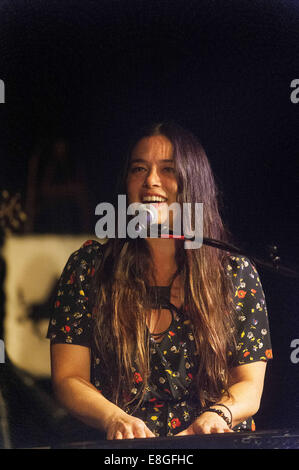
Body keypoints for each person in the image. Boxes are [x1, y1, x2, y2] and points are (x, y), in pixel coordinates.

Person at [47, 122, 273, 440]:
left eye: (168, 169)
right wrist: (114, 419)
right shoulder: (88, 268)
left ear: (193, 182)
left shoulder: (233, 272)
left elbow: (250, 385)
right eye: (139, 168)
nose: (151, 180)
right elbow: (68, 378)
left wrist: (216, 415)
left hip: (210, 442)